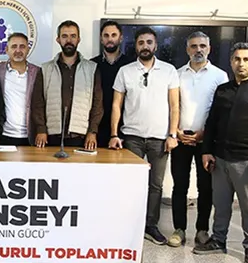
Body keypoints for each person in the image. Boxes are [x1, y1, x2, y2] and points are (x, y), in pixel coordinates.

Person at [194, 43, 248, 263]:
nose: (241, 64)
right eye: (237, 59)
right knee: (221, 205)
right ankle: (218, 240)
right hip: (220, 158)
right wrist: (207, 151)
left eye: (246, 59)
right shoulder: (223, 90)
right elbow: (212, 122)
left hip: (247, 161)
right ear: (231, 62)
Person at [109, 26, 180, 245]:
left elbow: (175, 105)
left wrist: (172, 134)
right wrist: (114, 134)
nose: (145, 46)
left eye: (149, 42)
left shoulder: (169, 71)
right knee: (131, 184)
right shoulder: (125, 71)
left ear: (155, 45)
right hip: (132, 137)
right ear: (136, 46)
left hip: (160, 138)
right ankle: (130, 225)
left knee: (155, 186)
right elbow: (116, 105)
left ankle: (151, 225)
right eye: (141, 42)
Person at [168, 31, 228, 248]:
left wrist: (205, 133)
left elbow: (222, 111)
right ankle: (179, 229)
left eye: (202, 46)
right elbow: (172, 106)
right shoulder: (177, 74)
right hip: (181, 140)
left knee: (206, 187)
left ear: (209, 49)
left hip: (206, 142)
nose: (198, 50)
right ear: (187, 50)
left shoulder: (220, 76)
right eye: (193, 46)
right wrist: (176, 131)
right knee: (179, 186)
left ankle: (202, 230)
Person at [31, 20, 103, 150]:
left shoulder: (91, 69)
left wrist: (92, 131)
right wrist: (41, 129)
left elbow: (97, 104)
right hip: (51, 136)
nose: (69, 40)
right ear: (58, 39)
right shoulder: (46, 69)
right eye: (64, 36)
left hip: (81, 136)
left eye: (73, 36)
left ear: (79, 39)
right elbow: (38, 102)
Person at [0, 33, 41, 146]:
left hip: (30, 135)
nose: (18, 50)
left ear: (28, 49)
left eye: (22, 46)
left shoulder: (37, 72)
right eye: (14, 46)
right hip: (2, 135)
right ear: (7, 50)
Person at [91, 20, 129, 148]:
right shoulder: (92, 65)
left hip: (125, 128)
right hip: (97, 127)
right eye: (106, 36)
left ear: (121, 38)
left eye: (114, 35)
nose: (110, 39)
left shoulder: (130, 65)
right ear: (101, 39)